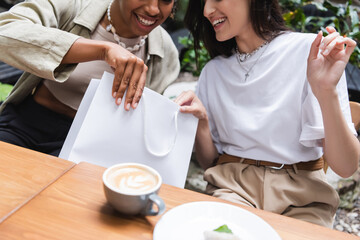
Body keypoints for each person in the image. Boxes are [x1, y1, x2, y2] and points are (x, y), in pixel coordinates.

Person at [175, 0, 360, 228]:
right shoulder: (213, 73)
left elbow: (346, 167)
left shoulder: (312, 54)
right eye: (203, 2)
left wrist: (326, 91)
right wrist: (202, 122)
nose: (206, 10)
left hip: (303, 198)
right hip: (234, 189)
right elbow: (210, 163)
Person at [0, 0, 180, 156]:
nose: (153, 9)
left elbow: (142, 126)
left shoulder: (165, 52)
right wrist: (102, 50)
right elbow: (5, 31)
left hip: (89, 146)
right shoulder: (74, 6)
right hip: (25, 124)